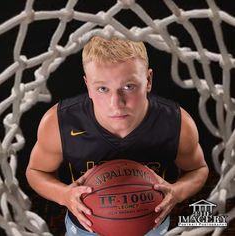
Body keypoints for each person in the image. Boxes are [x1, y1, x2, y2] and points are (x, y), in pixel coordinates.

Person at [26, 36, 209, 236]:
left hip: (151, 224)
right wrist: (64, 194)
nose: (116, 103)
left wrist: (176, 192)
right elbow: (36, 171)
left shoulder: (177, 122)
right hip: (85, 228)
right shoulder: (60, 121)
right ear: (88, 85)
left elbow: (198, 169)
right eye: (102, 88)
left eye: (129, 87)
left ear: (148, 80)